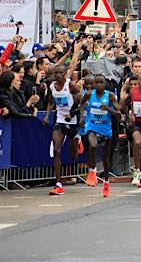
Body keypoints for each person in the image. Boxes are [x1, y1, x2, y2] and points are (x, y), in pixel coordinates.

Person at [44, 65, 82, 196]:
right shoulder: (52, 86)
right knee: (56, 149)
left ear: (65, 74)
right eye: (56, 73)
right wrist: (47, 115)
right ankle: (58, 183)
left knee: (73, 155)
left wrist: (72, 114)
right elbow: (50, 102)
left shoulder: (71, 85)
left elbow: (82, 103)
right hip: (59, 120)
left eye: (61, 73)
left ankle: (76, 141)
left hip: (73, 122)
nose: (58, 75)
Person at [81, 74, 120, 197]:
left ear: (105, 84)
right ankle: (92, 170)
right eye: (96, 83)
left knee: (105, 158)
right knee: (92, 145)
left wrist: (108, 108)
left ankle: (106, 183)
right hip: (92, 126)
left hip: (105, 128)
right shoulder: (89, 94)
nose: (98, 85)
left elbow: (118, 114)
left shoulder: (110, 96)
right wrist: (83, 114)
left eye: (101, 83)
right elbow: (81, 104)